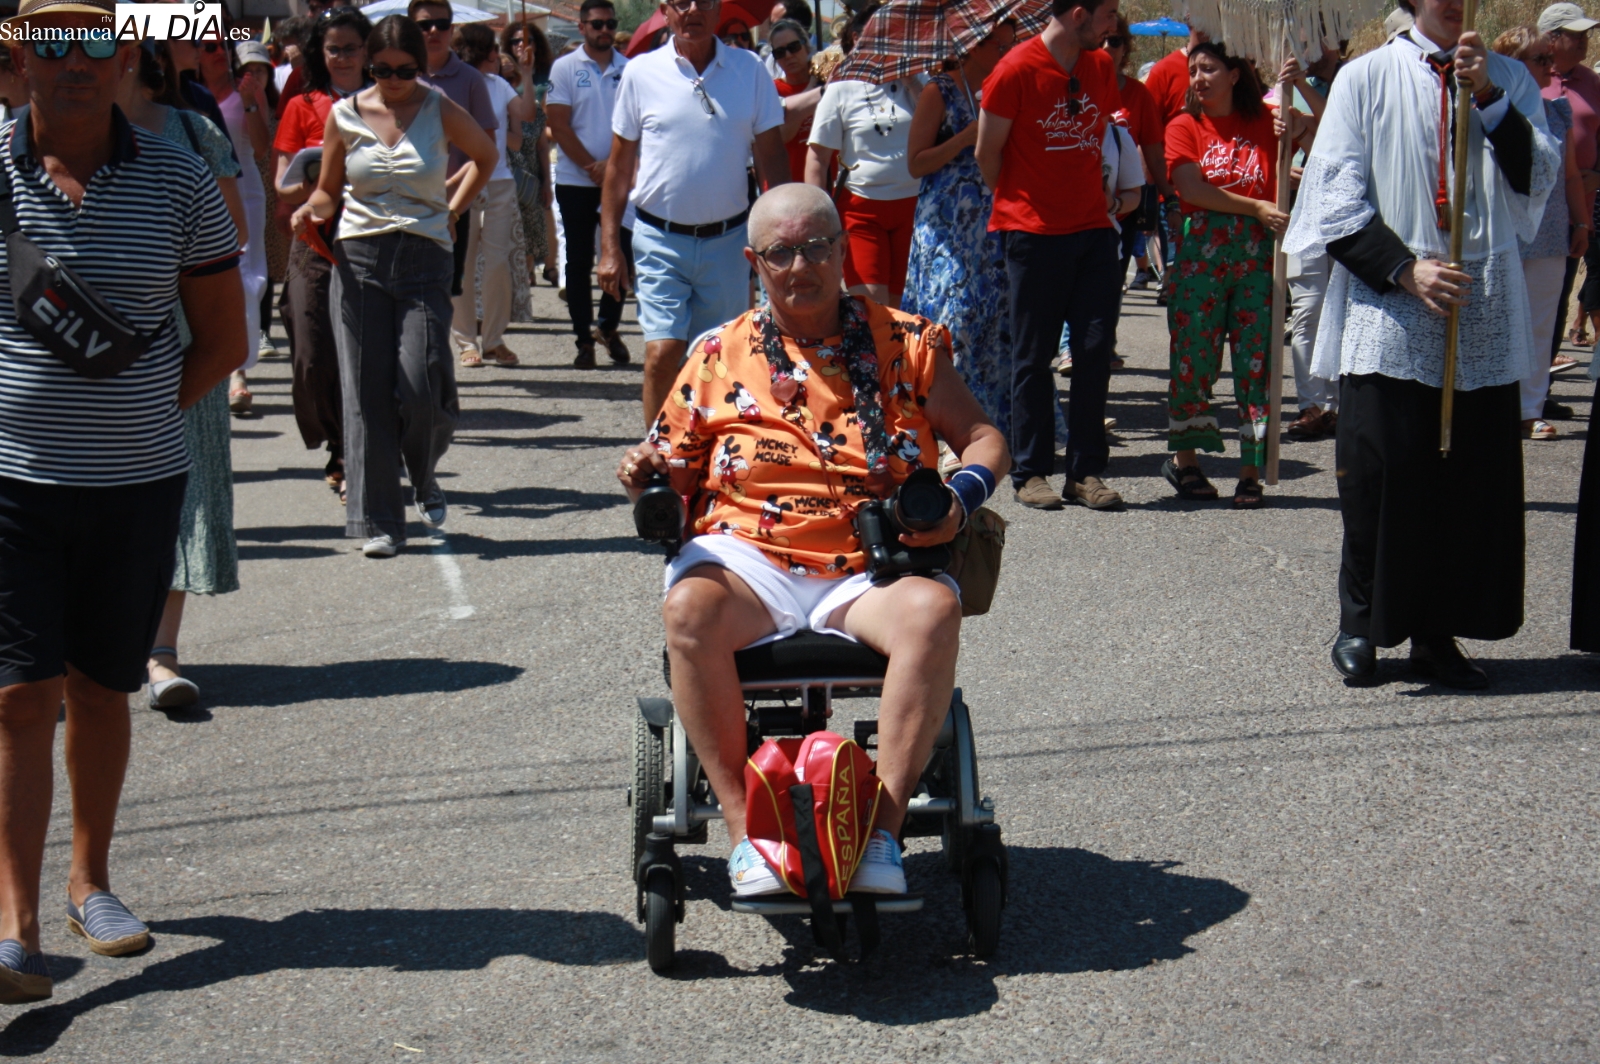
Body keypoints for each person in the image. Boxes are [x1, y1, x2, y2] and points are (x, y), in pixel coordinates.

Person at [615, 183, 1009, 898]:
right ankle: (747, 837)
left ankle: (881, 834)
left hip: (870, 565)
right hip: (748, 559)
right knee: (688, 610)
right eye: (781, 253)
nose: (801, 267)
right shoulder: (716, 354)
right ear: (754, 263)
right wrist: (644, 475)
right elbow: (669, 471)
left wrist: (959, 499)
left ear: (843, 249)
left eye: (817, 248)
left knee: (934, 611)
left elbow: (983, 438)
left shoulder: (908, 342)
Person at [0, 0, 244, 999]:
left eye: (94, 41)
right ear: (17, 57)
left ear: (124, 54)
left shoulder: (179, 175)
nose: (74, 61)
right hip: (10, 484)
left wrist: (135, 412)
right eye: (50, 43)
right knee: (19, 695)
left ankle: (89, 882)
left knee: (101, 688)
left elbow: (223, 340)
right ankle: (16, 926)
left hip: (138, 483)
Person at [1282, 0, 1559, 687]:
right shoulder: (1366, 76)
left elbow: (1537, 178)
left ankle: (1438, 633)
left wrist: (1488, 96)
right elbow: (1334, 197)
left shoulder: (1508, 79)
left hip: (1480, 296)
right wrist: (1406, 270)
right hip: (1392, 301)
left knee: (1465, 477)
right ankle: (1361, 622)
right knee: (1382, 470)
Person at [291, 14, 499, 558]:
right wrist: (310, 209)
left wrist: (453, 210)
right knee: (367, 394)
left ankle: (423, 472)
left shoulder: (438, 107)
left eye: (406, 70)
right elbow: (328, 191)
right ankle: (379, 522)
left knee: (424, 379)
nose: (394, 80)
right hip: (359, 258)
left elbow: (486, 156)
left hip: (425, 257)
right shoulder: (344, 114)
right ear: (369, 65)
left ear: (420, 65)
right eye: (382, 70)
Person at [117, 39, 251, 710]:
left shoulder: (193, 131)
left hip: (182, 331)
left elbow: (233, 231)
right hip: (68, 348)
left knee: (181, 488)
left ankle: (160, 652)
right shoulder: (26, 139)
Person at [599, 0, 791, 423]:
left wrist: (781, 236)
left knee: (720, 360)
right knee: (661, 353)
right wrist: (610, 247)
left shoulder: (749, 70)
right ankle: (659, 458)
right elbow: (619, 166)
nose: (692, 10)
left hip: (729, 242)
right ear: (665, 11)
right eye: (681, 2)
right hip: (659, 239)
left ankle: (710, 453)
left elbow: (772, 157)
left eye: (703, 1)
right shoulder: (641, 72)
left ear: (718, 9)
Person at [975, 0, 1126, 512]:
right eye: (1109, 12)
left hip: (1093, 231)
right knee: (1033, 356)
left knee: (1093, 351)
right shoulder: (1014, 69)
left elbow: (1098, 139)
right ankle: (1031, 470)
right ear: (1079, 13)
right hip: (1033, 234)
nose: (1115, 24)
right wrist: (1025, 204)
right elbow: (987, 154)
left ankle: (1085, 473)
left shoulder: (1099, 66)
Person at [1161, 44, 1304, 509]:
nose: (1198, 78)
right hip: (1201, 255)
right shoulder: (1183, 126)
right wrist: (1256, 206)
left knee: (1255, 360)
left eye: (1209, 69)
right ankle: (1186, 461)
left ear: (1235, 74)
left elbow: (1327, 129)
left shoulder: (1267, 122)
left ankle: (1251, 469)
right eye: (1193, 70)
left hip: (1257, 257)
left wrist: (1299, 89)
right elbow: (1192, 188)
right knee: (1193, 357)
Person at [901, 21, 1019, 436]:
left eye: (1010, 44)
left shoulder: (1007, 87)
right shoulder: (939, 91)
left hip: (994, 222)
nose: (1006, 51)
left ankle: (996, 426)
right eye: (999, 44)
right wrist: (965, 138)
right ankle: (953, 426)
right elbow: (915, 163)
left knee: (997, 322)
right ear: (973, 44)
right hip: (947, 226)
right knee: (955, 320)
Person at [275, 6, 372, 500]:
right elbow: (282, 185)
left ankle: (358, 450)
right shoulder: (302, 105)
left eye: (351, 48)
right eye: (333, 49)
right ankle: (337, 440)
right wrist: (320, 178)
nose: (342, 57)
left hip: (376, 238)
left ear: (367, 51)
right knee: (311, 352)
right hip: (314, 241)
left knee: (369, 353)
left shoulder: (389, 100)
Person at [1496, 25, 1589, 440]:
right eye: (1540, 59)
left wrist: (1581, 223)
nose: (1551, 67)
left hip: (1549, 232)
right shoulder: (1486, 112)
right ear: (1511, 64)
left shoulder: (1556, 113)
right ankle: (1491, 407)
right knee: (1497, 321)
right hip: (1500, 233)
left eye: (1551, 59)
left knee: (1539, 324)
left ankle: (1528, 409)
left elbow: (1570, 175)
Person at [547, 0, 631, 368]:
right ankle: (583, 338)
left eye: (610, 23)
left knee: (621, 255)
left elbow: (637, 124)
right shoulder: (565, 67)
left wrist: (611, 167)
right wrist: (590, 166)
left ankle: (608, 327)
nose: (605, 30)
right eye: (597, 24)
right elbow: (558, 124)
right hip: (575, 179)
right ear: (582, 27)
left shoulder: (629, 69)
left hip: (620, 178)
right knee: (579, 261)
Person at [409, 0, 498, 313]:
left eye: (442, 24)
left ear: (452, 28)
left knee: (443, 294)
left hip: (454, 204)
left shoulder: (470, 79)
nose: (434, 31)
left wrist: (454, 208)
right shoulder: (398, 75)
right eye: (424, 25)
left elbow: (486, 151)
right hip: (404, 202)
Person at [201, 36, 273, 417]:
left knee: (244, 279)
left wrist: (249, 101)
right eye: (207, 46)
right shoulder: (185, 94)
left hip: (244, 193)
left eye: (221, 46)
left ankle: (237, 371)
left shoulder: (246, 89)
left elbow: (261, 148)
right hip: (198, 193)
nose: (217, 53)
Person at [806, 72, 921, 305]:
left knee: (905, 308)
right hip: (860, 213)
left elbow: (943, 125)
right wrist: (816, 220)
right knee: (871, 308)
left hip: (915, 210)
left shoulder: (921, 81)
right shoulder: (840, 88)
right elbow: (818, 159)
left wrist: (912, 82)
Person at [451, 22, 527, 369]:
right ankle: (466, 341)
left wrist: (526, 72)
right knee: (463, 264)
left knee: (497, 264)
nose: (499, 54)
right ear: (484, 51)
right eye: (494, 48)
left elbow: (527, 114)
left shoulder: (499, 85)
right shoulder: (455, 83)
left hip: (499, 181)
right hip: (462, 182)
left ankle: (494, 339)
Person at [1539, 2, 1600, 393]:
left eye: (1586, 35)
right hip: (1536, 213)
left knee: (1557, 299)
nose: (1583, 41)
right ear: (1551, 38)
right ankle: (1519, 399)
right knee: (1532, 302)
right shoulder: (1529, 77)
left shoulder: (1592, 81)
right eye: (1575, 35)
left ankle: (1539, 393)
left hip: (1580, 209)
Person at [502, 21, 554, 289]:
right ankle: (525, 268)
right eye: (515, 41)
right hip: (508, 158)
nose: (522, 45)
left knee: (540, 215)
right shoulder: (499, 80)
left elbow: (539, 124)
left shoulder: (546, 77)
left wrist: (546, 179)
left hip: (536, 152)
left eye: (528, 40)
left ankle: (547, 265)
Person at [769, 18, 822, 183]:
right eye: (780, 52)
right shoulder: (772, 91)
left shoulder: (828, 81)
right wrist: (813, 87)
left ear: (806, 46)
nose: (788, 56)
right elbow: (783, 135)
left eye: (793, 47)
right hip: (790, 184)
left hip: (829, 181)